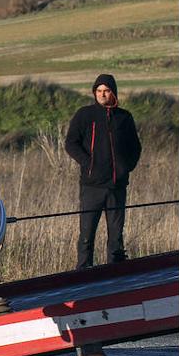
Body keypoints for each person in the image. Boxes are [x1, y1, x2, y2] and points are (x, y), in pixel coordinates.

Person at [64, 74, 141, 269]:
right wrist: (87, 163)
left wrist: (126, 168)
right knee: (86, 235)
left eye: (106, 91)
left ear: (113, 92)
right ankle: (83, 273)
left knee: (116, 236)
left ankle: (115, 274)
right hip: (92, 186)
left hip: (117, 186)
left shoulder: (125, 117)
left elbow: (135, 148)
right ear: (94, 93)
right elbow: (71, 143)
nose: (102, 94)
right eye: (98, 91)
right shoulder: (85, 115)